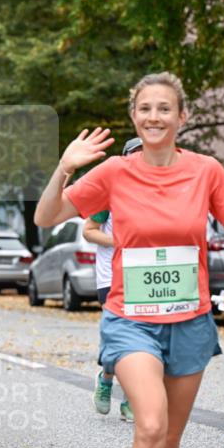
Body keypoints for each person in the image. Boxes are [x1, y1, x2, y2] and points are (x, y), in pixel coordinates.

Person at [34, 72, 224, 448]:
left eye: (164, 108)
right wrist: (65, 167)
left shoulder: (206, 171)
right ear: (133, 115)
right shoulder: (114, 172)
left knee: (171, 437)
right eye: (145, 109)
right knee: (151, 425)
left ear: (182, 117)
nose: (154, 117)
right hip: (131, 318)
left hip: (190, 321)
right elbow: (48, 216)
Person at [84, 138, 143, 422]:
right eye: (135, 156)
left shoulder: (159, 195)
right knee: (120, 336)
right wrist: (118, 242)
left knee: (142, 339)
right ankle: (107, 378)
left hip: (143, 275)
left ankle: (131, 398)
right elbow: (88, 230)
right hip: (111, 277)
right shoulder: (109, 193)